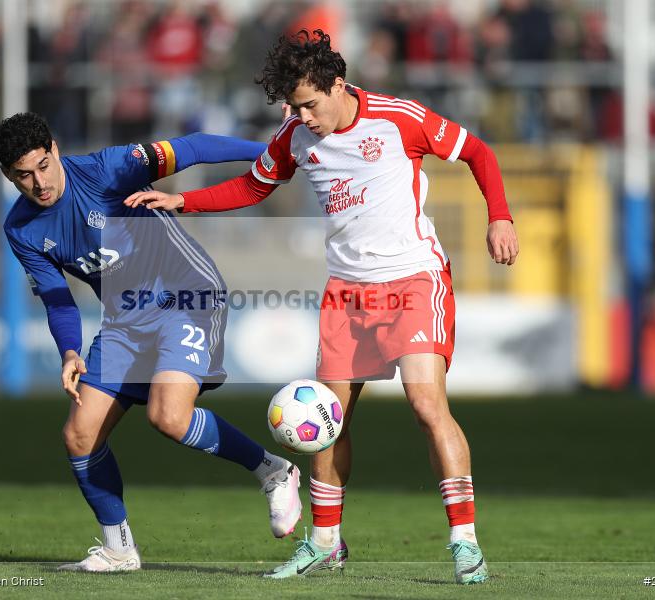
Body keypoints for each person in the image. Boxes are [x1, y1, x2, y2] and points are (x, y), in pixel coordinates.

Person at [126, 30, 519, 584]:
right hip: (346, 292)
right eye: (293, 106)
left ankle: (464, 541)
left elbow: (477, 150)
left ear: (338, 85)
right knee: (326, 423)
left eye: (309, 103)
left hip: (413, 279)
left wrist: (499, 215)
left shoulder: (397, 117)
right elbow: (252, 187)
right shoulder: (295, 137)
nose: (302, 116)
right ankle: (325, 543)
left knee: (427, 405)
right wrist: (182, 200)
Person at [0, 112, 302, 573]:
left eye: (43, 165)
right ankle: (119, 549)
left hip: (186, 294)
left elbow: (193, 148)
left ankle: (274, 471)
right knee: (79, 434)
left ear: (55, 149)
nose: (39, 183)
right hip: (123, 319)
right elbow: (58, 300)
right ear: (8, 175)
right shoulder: (21, 229)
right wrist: (70, 352)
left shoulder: (108, 169)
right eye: (23, 175)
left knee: (168, 416)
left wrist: (276, 153)